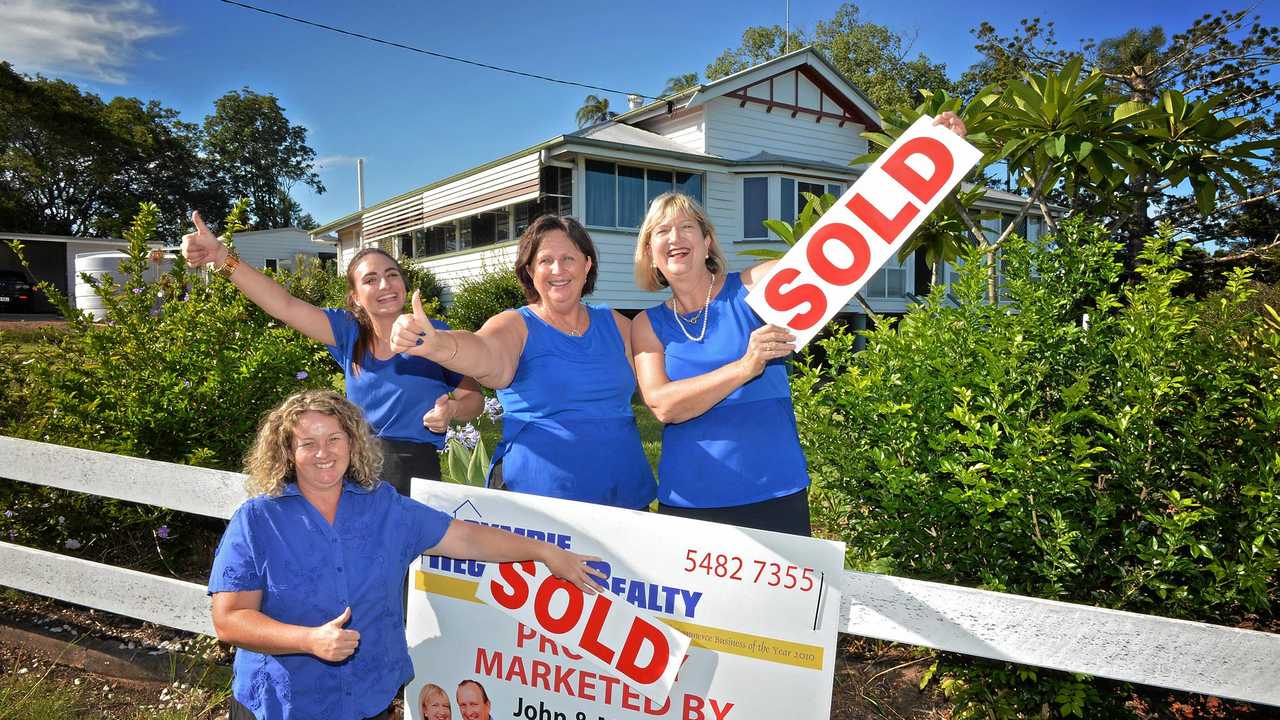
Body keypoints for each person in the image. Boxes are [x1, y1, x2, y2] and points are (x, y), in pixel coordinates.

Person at [630, 114, 968, 535]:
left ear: (707, 241)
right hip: (691, 500)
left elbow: (852, 242)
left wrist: (933, 160)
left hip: (774, 492)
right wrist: (745, 366)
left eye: (686, 227)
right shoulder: (647, 324)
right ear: (650, 250)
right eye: (661, 231)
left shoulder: (761, 287)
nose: (675, 237)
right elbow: (663, 406)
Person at [208, 389, 604, 720]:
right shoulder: (258, 519)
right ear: (287, 452)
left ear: (352, 442)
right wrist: (308, 640)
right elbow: (230, 621)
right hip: (284, 703)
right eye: (307, 443)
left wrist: (542, 551)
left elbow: (465, 539)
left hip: (367, 697)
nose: (323, 452)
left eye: (334, 438)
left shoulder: (385, 507)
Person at [182, 211, 483, 494]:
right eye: (370, 279)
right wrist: (222, 257)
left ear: (403, 283)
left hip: (413, 471)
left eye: (392, 275)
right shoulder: (349, 332)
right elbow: (283, 305)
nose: (384, 284)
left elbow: (475, 400)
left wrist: (452, 410)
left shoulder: (435, 333)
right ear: (356, 297)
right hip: (354, 466)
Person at [389, 215, 655, 510]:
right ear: (530, 270)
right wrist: (439, 344)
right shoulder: (516, 325)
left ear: (587, 265)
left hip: (625, 500)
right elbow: (486, 352)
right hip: (539, 508)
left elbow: (658, 392)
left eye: (569, 258)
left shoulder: (618, 324)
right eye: (545, 261)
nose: (558, 269)